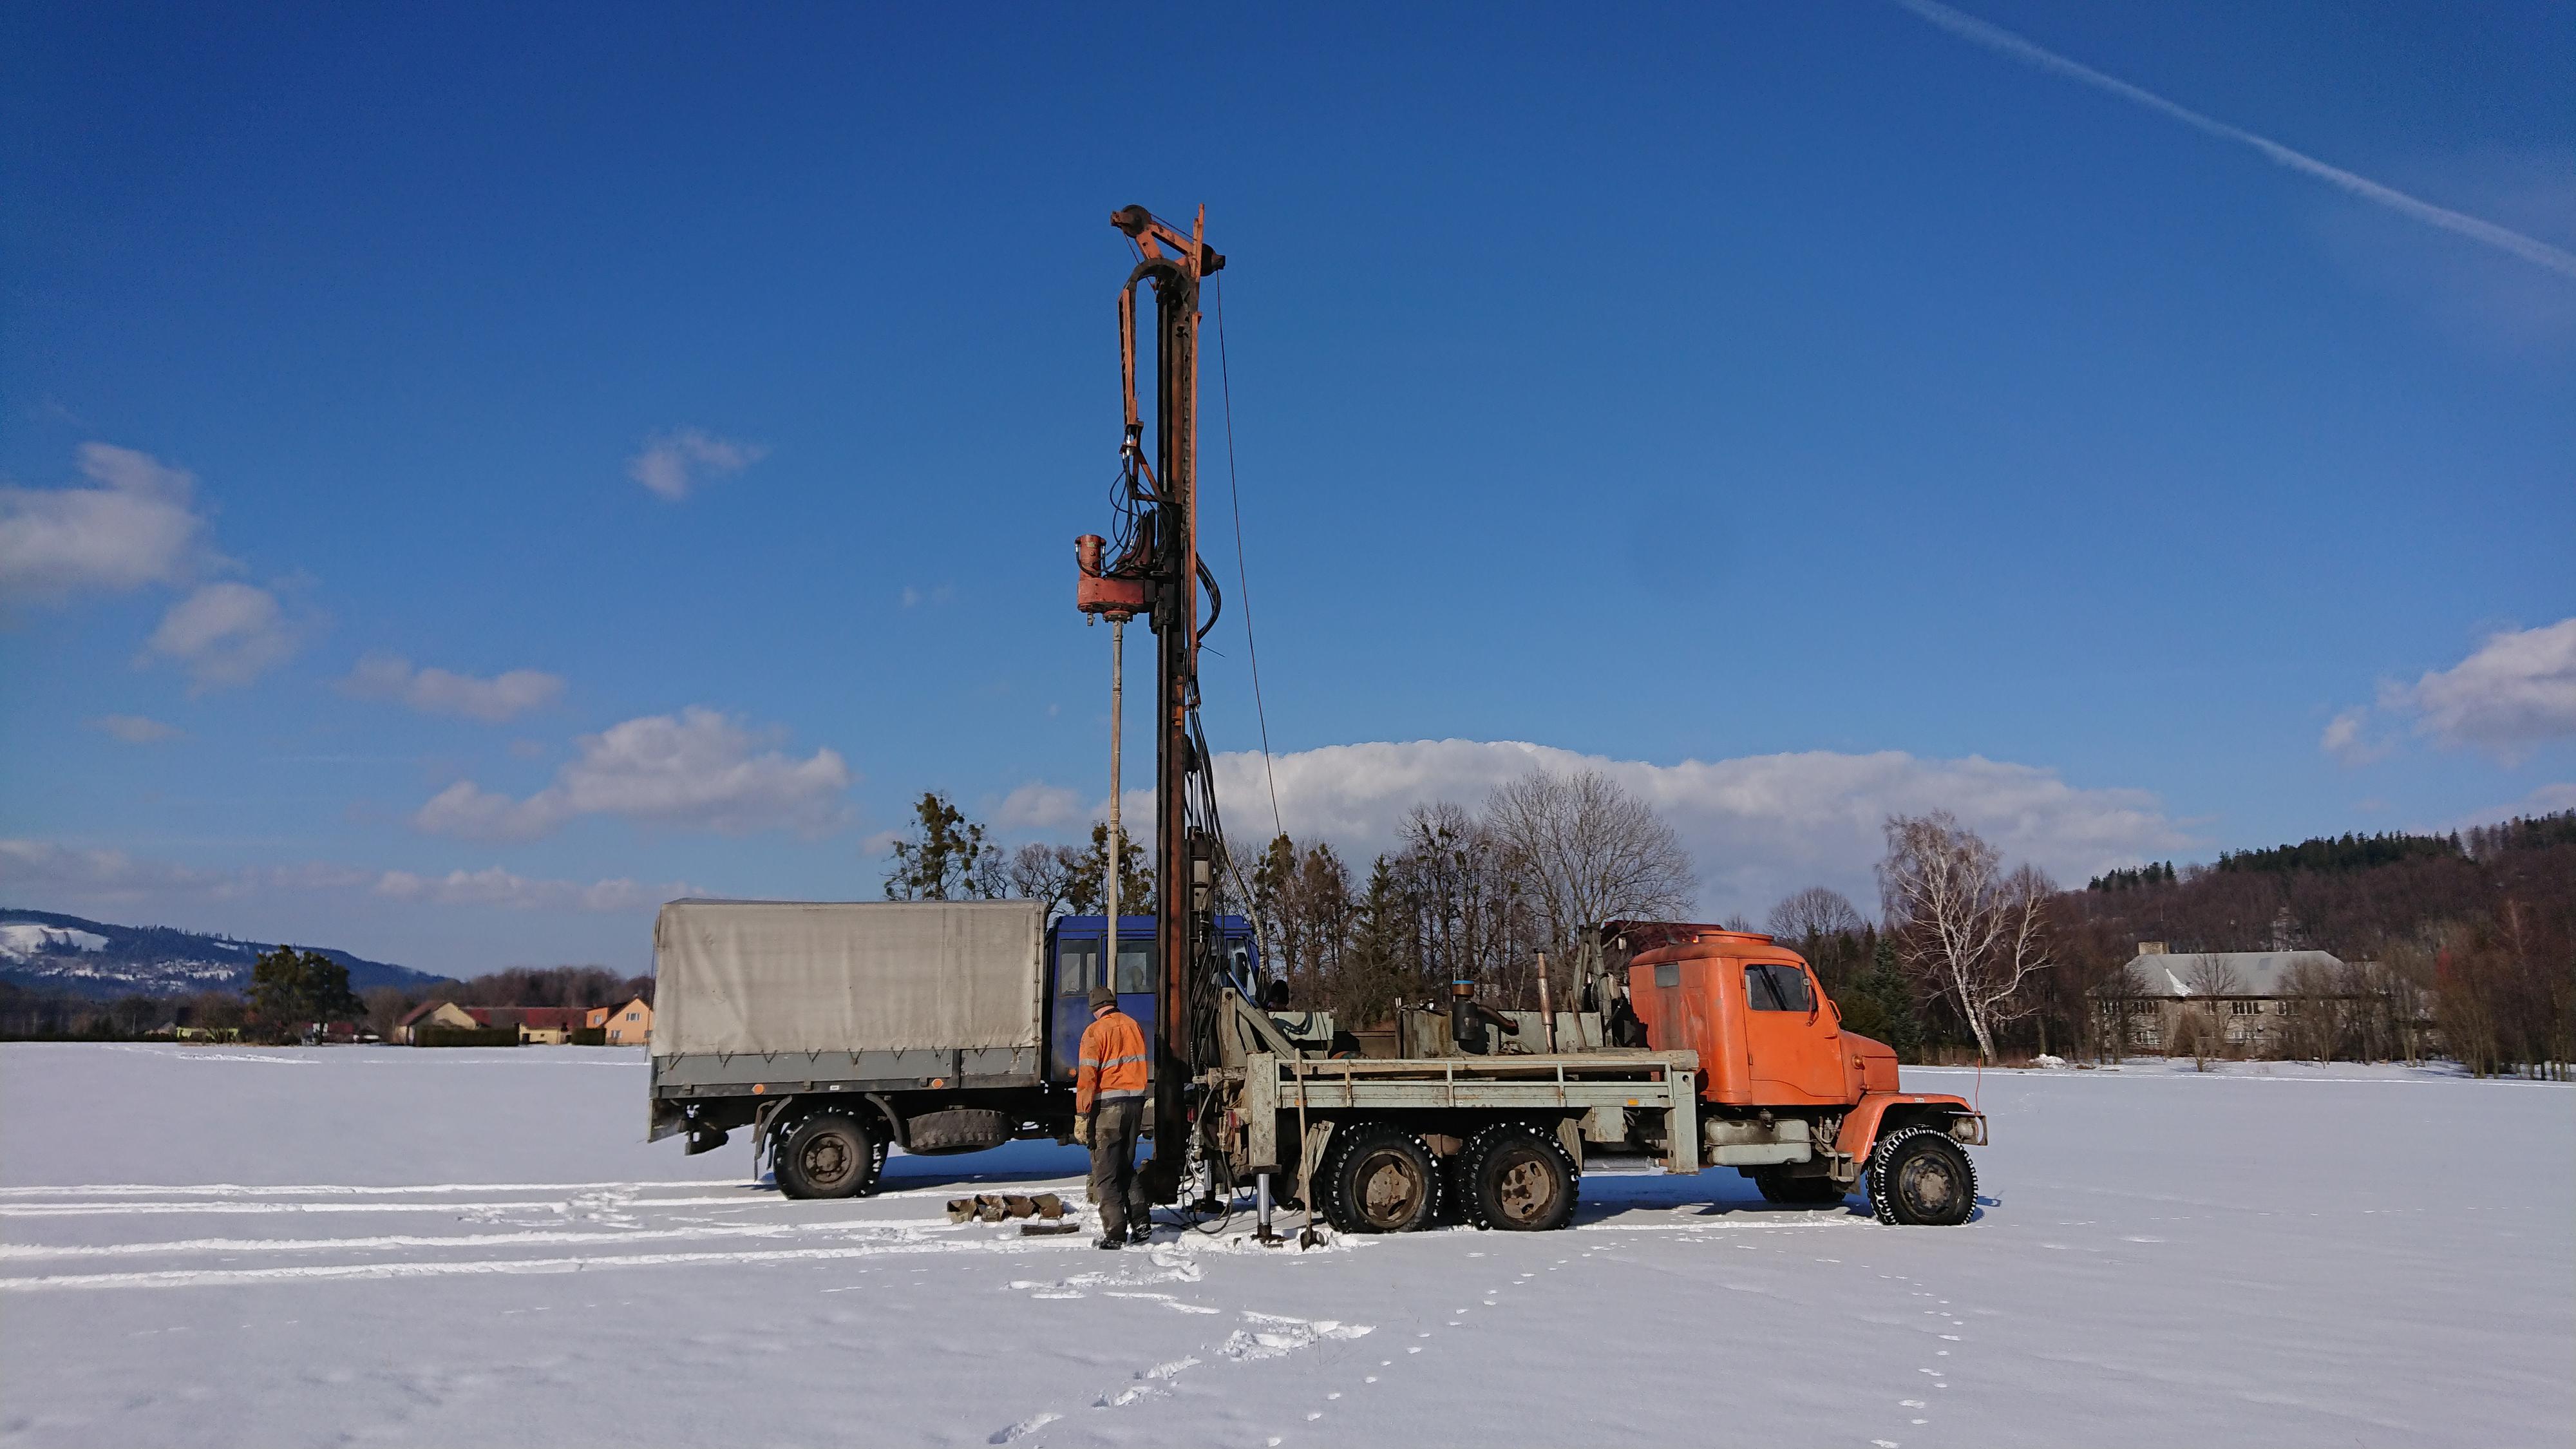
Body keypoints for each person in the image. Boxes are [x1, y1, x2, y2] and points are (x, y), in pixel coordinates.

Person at [1075, 984, 1151, 1249]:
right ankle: (1142, 1224)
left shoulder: (1095, 1031)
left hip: (1107, 1109)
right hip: (1135, 1105)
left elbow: (1087, 1078)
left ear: (1095, 1009)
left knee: (1106, 1173)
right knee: (1126, 1167)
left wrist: (1082, 1114)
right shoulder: (1133, 1025)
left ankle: (1115, 1233)